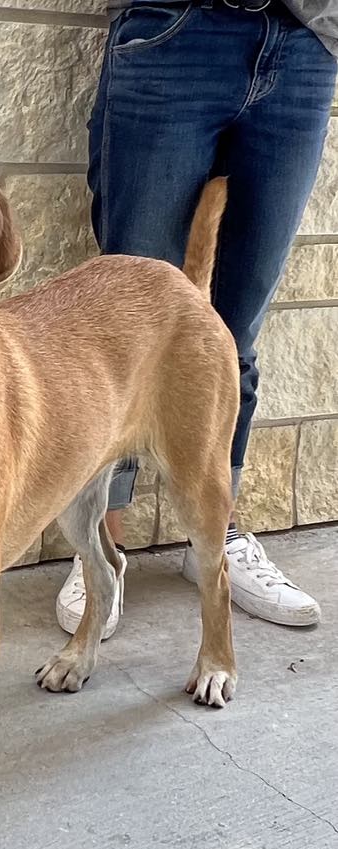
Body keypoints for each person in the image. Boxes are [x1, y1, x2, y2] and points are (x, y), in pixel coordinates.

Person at [57, 0, 337, 637]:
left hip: (305, 44)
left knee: (233, 332)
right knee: (124, 330)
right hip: (176, 28)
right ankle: (101, 546)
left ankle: (217, 533)